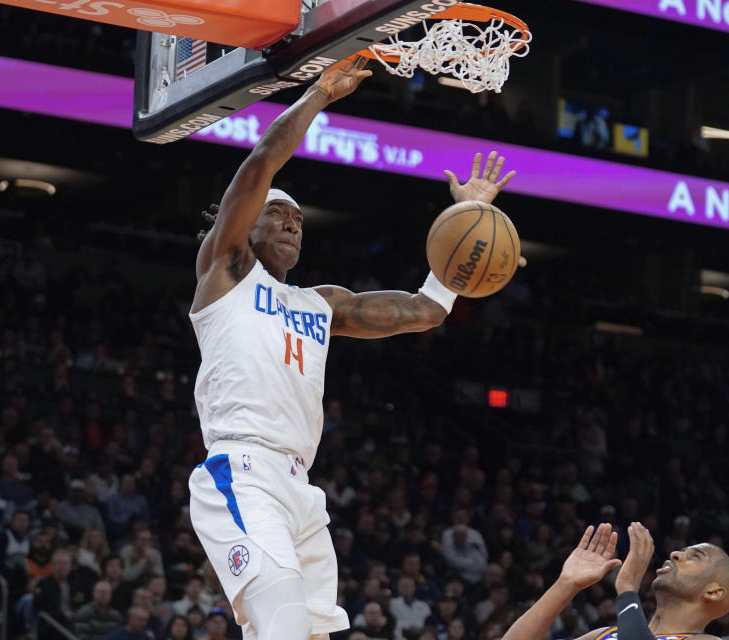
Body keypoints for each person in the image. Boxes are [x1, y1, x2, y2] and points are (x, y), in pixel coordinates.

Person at [187, 55, 516, 640]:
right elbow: (262, 162)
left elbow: (426, 310)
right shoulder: (226, 272)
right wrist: (318, 95)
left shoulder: (323, 303)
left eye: (299, 220)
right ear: (243, 225)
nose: (293, 225)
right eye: (278, 215)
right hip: (241, 470)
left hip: (300, 488)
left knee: (310, 634)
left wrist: (467, 220)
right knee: (282, 622)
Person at [503, 522, 729, 640]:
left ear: (714, 592)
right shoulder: (604, 635)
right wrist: (566, 584)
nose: (675, 554)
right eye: (681, 551)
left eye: (695, 557)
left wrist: (628, 588)